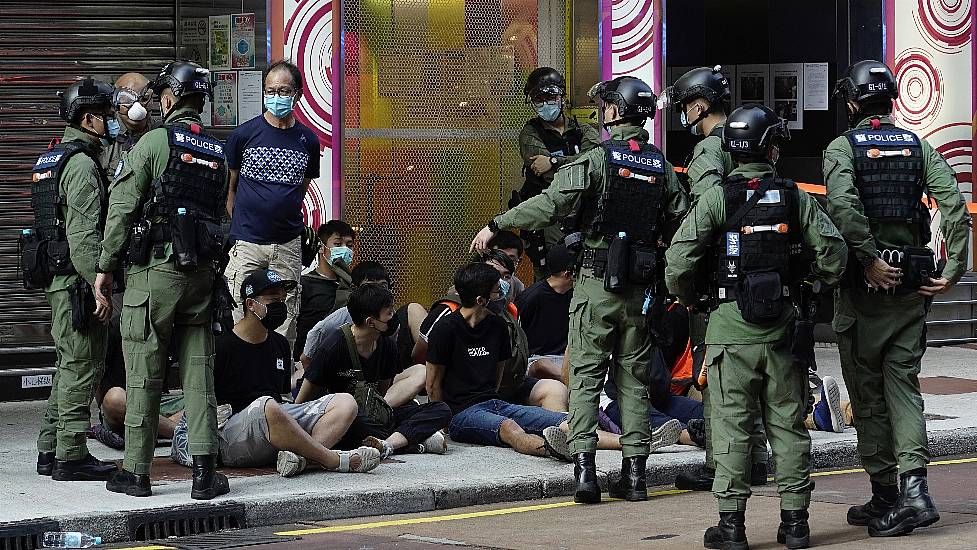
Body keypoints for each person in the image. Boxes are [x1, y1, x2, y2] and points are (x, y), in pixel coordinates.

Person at [473, 76, 689, 504]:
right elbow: (681, 222)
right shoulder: (661, 166)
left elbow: (549, 204)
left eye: (605, 106)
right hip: (640, 289)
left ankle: (586, 475)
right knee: (633, 379)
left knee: (587, 377)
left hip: (595, 284)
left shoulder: (596, 160)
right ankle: (635, 476)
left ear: (614, 111)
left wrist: (497, 224)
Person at [665, 104, 848, 550]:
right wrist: (805, 280)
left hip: (729, 330)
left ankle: (732, 528)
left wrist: (695, 298)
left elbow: (677, 263)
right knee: (788, 425)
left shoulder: (715, 198)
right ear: (770, 148)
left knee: (731, 428)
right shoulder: (794, 196)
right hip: (783, 328)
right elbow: (834, 255)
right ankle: (796, 524)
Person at [825, 60, 971, 538]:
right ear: (891, 99)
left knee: (867, 395)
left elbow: (844, 207)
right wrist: (955, 269)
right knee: (905, 389)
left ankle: (888, 491)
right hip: (911, 288)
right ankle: (914, 492)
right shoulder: (918, 146)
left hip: (864, 292)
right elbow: (953, 204)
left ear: (851, 102)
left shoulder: (841, 148)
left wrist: (866, 258)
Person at [95, 61, 229, 499]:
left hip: (156, 274)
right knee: (199, 374)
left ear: (169, 98)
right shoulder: (215, 153)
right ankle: (205, 474)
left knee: (144, 373)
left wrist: (104, 268)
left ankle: (136, 472)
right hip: (202, 277)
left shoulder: (154, 142)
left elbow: (121, 209)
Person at [666, 66, 769, 492]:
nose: (684, 114)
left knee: (714, 373)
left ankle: (718, 463)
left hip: (719, 275)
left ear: (700, 104)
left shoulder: (710, 149)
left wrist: (686, 278)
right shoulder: (751, 139)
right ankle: (758, 458)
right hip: (759, 269)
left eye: (686, 106)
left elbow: (708, 213)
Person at [28, 78, 118, 481]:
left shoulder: (52, 157)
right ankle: (71, 455)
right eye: (106, 115)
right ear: (88, 119)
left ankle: (50, 449)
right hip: (77, 284)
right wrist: (100, 285)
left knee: (68, 367)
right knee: (83, 367)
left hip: (59, 282)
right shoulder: (81, 164)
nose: (111, 121)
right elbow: (83, 239)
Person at [209, 269, 380, 477]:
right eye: (273, 299)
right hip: (236, 435)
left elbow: (283, 398)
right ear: (250, 304)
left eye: (282, 299)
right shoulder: (223, 346)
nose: (280, 305)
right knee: (267, 405)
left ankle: (300, 459)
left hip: (276, 422)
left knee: (345, 402)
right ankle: (333, 460)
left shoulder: (280, 344)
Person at [223, 60, 321, 355]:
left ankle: (277, 383)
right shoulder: (243, 135)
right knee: (241, 313)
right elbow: (231, 189)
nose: (276, 96)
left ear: (298, 94)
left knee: (285, 317)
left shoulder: (308, 140)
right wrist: (242, 228)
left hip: (288, 245)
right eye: (271, 90)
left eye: (284, 90)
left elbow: (301, 189)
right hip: (248, 243)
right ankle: (241, 389)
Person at [425, 263, 570, 459]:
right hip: (462, 414)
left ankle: (622, 442)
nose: (502, 292)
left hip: (495, 403)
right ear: (481, 300)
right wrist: (443, 421)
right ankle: (556, 449)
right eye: (496, 290)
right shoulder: (445, 329)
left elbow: (497, 375)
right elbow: (433, 385)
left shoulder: (498, 326)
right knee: (509, 428)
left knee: (566, 421)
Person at [296, 284, 451, 458]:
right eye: (389, 313)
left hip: (375, 414)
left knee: (441, 409)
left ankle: (389, 444)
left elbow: (383, 395)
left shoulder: (387, 345)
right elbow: (303, 401)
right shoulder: (333, 346)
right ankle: (411, 440)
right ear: (371, 322)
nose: (393, 317)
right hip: (347, 417)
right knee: (357, 424)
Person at [419, 250, 569, 412]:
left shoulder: (510, 311)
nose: (500, 282)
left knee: (554, 390)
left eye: (506, 276)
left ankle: (560, 432)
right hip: (466, 401)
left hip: (508, 389)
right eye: (494, 275)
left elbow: (506, 365)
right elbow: (427, 367)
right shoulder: (448, 313)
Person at [517, 67, 601, 278]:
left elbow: (597, 165)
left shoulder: (584, 130)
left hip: (583, 215)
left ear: (562, 97)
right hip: (548, 218)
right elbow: (548, 175)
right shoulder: (530, 133)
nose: (546, 103)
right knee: (551, 276)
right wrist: (578, 164)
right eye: (539, 98)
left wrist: (554, 161)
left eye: (551, 96)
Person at [295, 220, 355, 358]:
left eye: (350, 245)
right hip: (307, 360)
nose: (345, 250)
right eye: (338, 244)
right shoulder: (304, 284)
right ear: (321, 248)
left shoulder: (354, 286)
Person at [515, 245, 574, 381]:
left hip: (566, 355)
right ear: (567, 274)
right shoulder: (532, 297)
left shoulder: (575, 295)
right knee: (542, 365)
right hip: (537, 357)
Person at [102, 72, 157, 176]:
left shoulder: (161, 135)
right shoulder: (103, 137)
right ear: (115, 102)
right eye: (127, 100)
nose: (138, 107)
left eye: (144, 99)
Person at [487, 230, 527, 300]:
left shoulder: (518, 286)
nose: (504, 263)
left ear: (518, 261)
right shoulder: (471, 279)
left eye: (510, 259)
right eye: (498, 257)